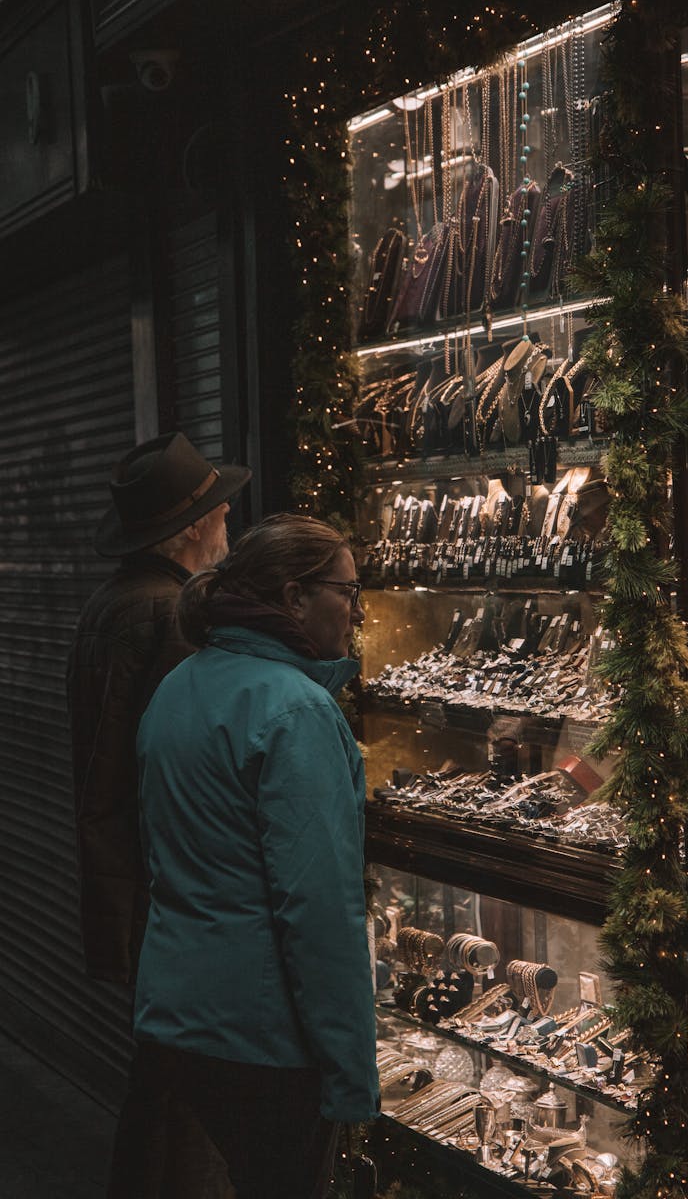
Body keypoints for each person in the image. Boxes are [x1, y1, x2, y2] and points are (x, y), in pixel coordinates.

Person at [130, 512, 379, 1199]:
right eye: (347, 592)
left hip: (184, 1012)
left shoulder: (181, 685)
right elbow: (319, 910)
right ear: (295, 597)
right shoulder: (295, 711)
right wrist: (352, 1076)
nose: (358, 612)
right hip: (264, 1032)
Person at [67, 429, 250, 1198]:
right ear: (194, 529)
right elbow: (180, 773)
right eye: (220, 513)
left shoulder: (113, 604)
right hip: (171, 898)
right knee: (192, 1109)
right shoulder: (170, 615)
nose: (230, 525)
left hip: (139, 889)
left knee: (162, 1094)